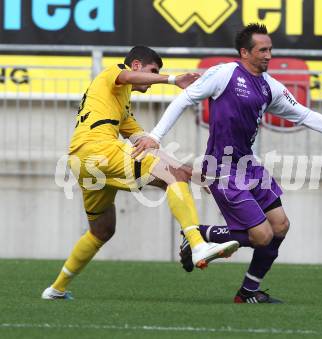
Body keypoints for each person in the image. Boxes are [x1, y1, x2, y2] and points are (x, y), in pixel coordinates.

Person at [141, 24, 322, 304]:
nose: (268, 55)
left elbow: (303, 114)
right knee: (262, 236)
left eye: (270, 49)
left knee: (281, 226)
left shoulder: (269, 86)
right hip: (222, 168)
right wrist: (154, 136)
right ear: (245, 52)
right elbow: (184, 100)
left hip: (250, 167)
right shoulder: (224, 74)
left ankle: (248, 292)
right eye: (262, 50)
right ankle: (199, 236)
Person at [41, 46, 239, 300]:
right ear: (135, 66)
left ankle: (56, 288)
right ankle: (198, 244)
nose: (154, 77)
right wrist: (172, 80)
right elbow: (127, 77)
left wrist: (191, 173)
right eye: (152, 71)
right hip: (99, 150)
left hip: (83, 160)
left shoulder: (120, 105)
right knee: (172, 178)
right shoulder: (116, 72)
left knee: (102, 230)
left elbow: (146, 144)